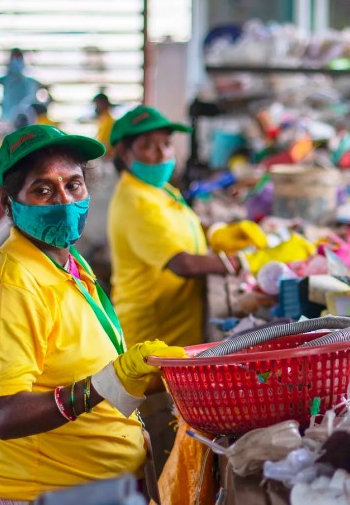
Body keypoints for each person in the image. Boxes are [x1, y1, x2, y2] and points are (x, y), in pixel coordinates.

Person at [0, 123, 185, 503]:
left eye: (73, 185)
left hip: (92, 485)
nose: (63, 201)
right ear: (6, 200)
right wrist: (104, 384)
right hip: (34, 491)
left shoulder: (67, 262)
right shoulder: (12, 285)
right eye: (43, 190)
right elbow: (6, 414)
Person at [106, 105, 266, 471]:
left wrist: (220, 237)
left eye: (166, 144)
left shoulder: (161, 190)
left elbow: (189, 237)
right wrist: (243, 263)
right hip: (153, 336)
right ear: (124, 154)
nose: (162, 153)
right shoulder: (136, 200)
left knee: (176, 431)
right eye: (148, 146)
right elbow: (183, 263)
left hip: (178, 330)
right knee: (160, 435)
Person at [0, 48, 48, 124]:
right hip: (7, 121)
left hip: (26, 121)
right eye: (14, 58)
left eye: (18, 57)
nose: (16, 61)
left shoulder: (31, 81)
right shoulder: (4, 80)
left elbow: (46, 90)